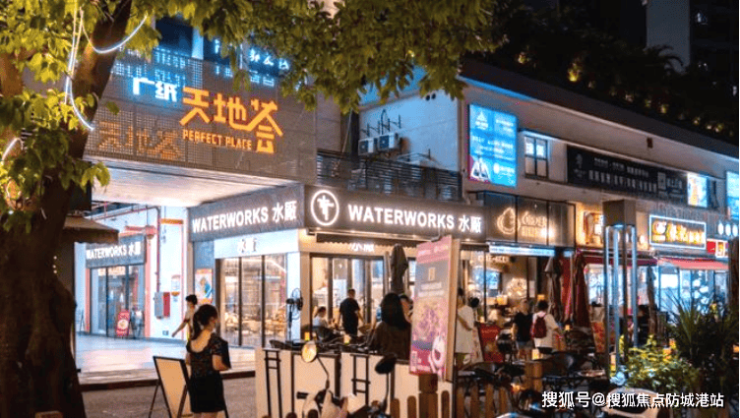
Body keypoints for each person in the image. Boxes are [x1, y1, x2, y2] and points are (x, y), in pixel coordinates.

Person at [186, 305, 230, 418]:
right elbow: (217, 365)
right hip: (210, 384)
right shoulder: (215, 340)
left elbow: (188, 360)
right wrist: (227, 367)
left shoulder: (193, 339)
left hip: (194, 383)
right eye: (217, 317)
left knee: (197, 415)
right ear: (212, 319)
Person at [369, 293, 412, 360]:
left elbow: (373, 346)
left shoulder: (382, 327)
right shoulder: (408, 326)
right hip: (404, 363)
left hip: (386, 363)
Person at [455, 289, 475, 367]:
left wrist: (458, 315)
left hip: (463, 345)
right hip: (453, 343)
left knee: (462, 366)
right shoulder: (451, 309)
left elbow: (469, 327)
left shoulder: (468, 310)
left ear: (461, 297)